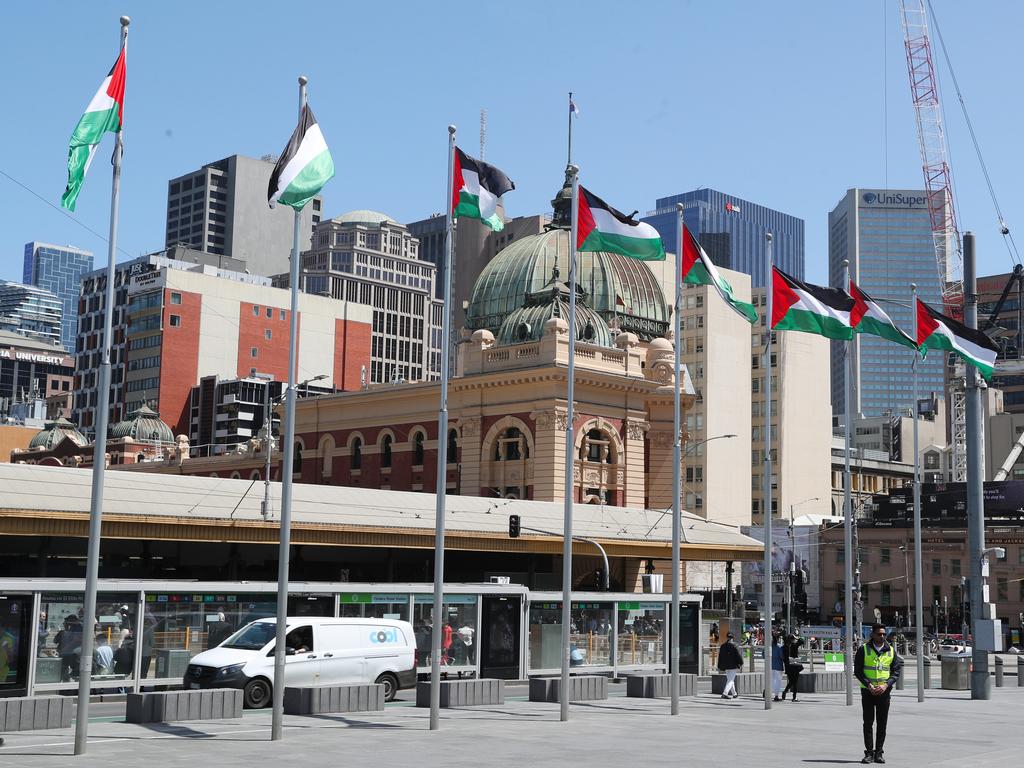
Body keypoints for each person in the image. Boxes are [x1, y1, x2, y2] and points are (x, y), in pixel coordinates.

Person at [855, 623, 903, 764]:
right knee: (868, 723)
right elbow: (858, 671)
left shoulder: (891, 651)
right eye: (879, 634)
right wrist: (869, 685)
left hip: (884, 692)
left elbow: (896, 672)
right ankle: (869, 753)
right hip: (868, 691)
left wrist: (886, 685)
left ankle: (879, 753)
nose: (881, 636)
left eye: (883, 634)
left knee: (882, 723)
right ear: (872, 635)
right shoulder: (863, 649)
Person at [717, 631, 743, 699]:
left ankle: (734, 694)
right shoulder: (734, 645)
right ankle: (725, 693)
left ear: (727, 637)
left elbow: (720, 657)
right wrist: (741, 663)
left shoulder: (723, 646)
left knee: (730, 679)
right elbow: (738, 655)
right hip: (733, 665)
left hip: (726, 665)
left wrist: (719, 665)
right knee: (731, 680)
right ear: (732, 637)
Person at [781, 633, 804, 702]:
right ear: (793, 639)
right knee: (795, 682)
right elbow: (802, 640)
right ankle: (794, 697)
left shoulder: (785, 646)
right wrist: (797, 638)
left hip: (788, 666)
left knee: (791, 681)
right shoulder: (794, 645)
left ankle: (785, 692)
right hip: (795, 665)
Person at [770, 631, 786, 701]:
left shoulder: (770, 646)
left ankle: (767, 693)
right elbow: (782, 656)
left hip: (770, 665)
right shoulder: (779, 647)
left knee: (771, 680)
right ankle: (776, 695)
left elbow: (763, 654)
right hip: (778, 666)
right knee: (778, 681)